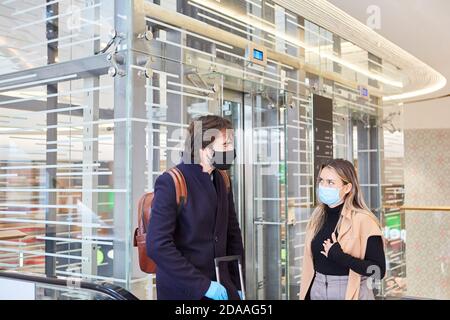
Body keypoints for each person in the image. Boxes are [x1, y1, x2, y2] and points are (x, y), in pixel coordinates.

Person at [147, 115, 244, 300]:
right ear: (202, 148)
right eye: (225, 145)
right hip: (184, 292)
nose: (231, 150)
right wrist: (204, 286)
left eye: (231, 144)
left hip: (223, 288)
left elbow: (232, 235)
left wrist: (238, 283)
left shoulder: (222, 179)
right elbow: (157, 245)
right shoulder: (171, 182)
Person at [299, 159, 386, 300]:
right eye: (321, 181)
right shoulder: (317, 217)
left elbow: (378, 271)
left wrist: (340, 257)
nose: (323, 186)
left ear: (347, 188)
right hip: (317, 289)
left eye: (330, 182)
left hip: (350, 292)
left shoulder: (364, 221)